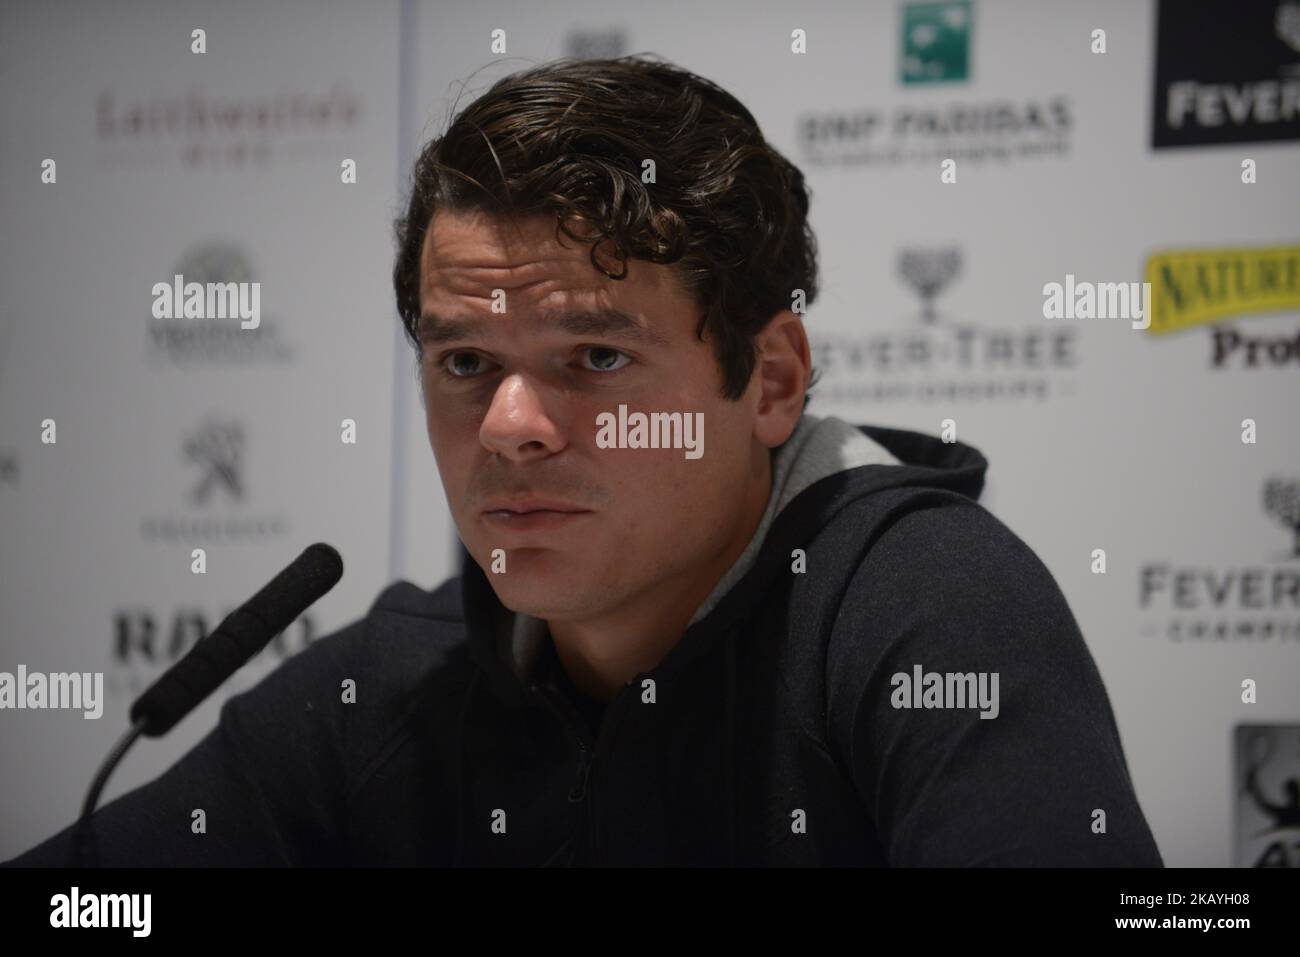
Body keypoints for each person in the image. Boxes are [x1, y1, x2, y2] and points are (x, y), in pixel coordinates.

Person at [4, 54, 1162, 867]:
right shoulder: (397, 684)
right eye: (464, 364)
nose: (509, 426)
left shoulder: (923, 607)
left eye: (595, 357)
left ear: (770, 380)